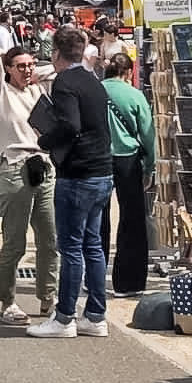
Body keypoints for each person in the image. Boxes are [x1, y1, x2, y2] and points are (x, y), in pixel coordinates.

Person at [29, 25, 114, 339]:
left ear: (55, 53)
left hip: (78, 172)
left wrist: (46, 141)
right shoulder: (93, 80)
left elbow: (70, 124)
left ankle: (64, 317)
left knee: (71, 247)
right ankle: (95, 314)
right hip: (102, 169)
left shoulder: (64, 81)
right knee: (93, 245)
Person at [0, 43, 57, 324]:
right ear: (7, 69)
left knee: (49, 239)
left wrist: (34, 72)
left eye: (30, 65)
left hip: (44, 166)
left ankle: (48, 297)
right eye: (20, 66)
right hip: (14, 168)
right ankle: (7, 302)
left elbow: (60, 69)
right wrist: (4, 55)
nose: (27, 70)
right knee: (15, 242)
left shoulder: (37, 89)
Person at [101, 52, 156, 295]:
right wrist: (150, 167)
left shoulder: (96, 90)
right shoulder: (135, 95)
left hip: (99, 158)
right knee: (132, 219)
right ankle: (128, 281)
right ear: (128, 72)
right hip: (128, 159)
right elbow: (147, 133)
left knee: (97, 218)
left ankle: (92, 274)